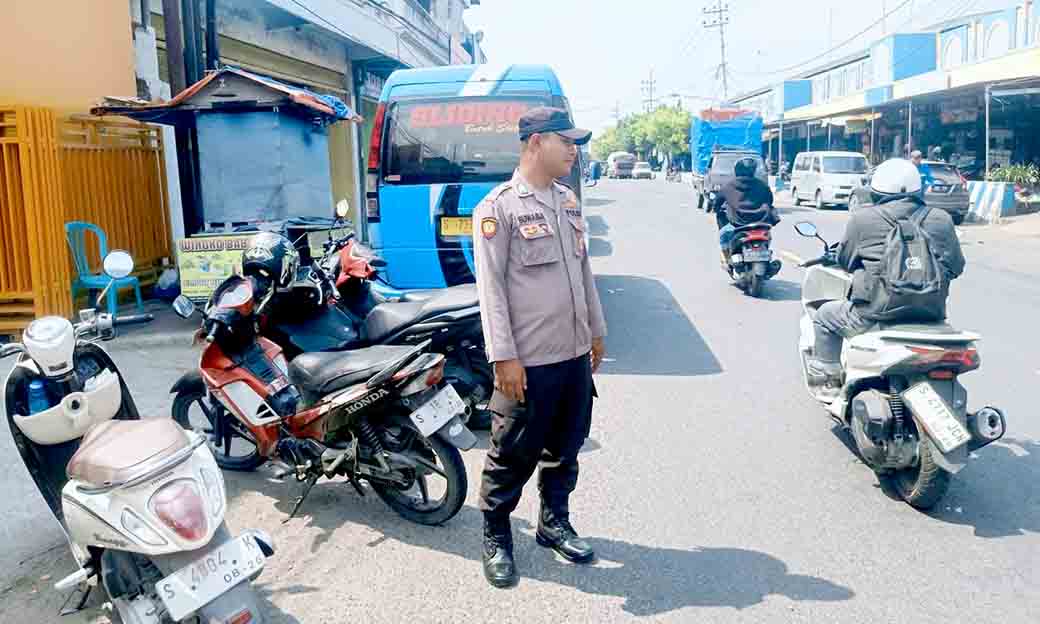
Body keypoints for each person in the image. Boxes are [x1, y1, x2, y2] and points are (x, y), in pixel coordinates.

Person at [471, 106, 607, 589]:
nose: (574, 150)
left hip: (571, 356)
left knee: (565, 448)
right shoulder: (499, 208)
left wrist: (595, 329)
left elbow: (583, 270)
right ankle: (496, 534)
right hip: (527, 362)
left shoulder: (567, 201)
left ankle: (554, 522)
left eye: (575, 143)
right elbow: (491, 290)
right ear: (534, 144)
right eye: (565, 141)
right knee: (510, 454)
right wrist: (503, 356)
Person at [807, 158, 966, 397]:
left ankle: (829, 380)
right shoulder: (941, 218)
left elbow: (845, 261)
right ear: (917, 187)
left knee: (823, 316)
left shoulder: (863, 219)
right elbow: (956, 266)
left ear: (875, 189)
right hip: (932, 316)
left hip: (874, 315)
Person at [710, 157, 781, 271]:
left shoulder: (729, 186)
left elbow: (717, 203)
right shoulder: (762, 185)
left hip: (738, 224)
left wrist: (715, 208)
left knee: (723, 235)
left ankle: (728, 260)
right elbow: (770, 200)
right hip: (761, 222)